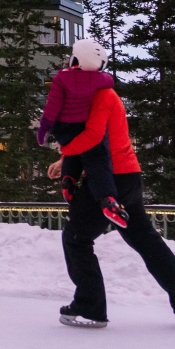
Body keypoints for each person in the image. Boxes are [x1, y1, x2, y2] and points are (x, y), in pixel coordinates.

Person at [46, 85, 175, 329]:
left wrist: (68, 157)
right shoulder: (107, 95)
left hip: (107, 180)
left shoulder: (95, 98)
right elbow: (102, 137)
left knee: (76, 238)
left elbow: (93, 138)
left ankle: (90, 308)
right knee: (145, 240)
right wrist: (65, 160)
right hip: (129, 175)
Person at [37, 39, 123, 225]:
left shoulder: (60, 78)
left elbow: (52, 107)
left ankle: (69, 179)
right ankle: (108, 199)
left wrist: (44, 128)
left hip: (62, 128)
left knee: (75, 148)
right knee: (96, 158)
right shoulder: (100, 85)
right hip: (84, 130)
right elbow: (109, 79)